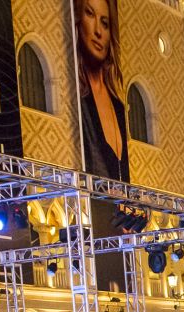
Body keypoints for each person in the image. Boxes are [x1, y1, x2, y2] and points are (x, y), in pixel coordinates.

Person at [75, 0, 129, 183]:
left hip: (120, 207)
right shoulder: (78, 97)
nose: (98, 31)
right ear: (78, 19)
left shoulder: (119, 106)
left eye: (105, 23)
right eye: (90, 14)